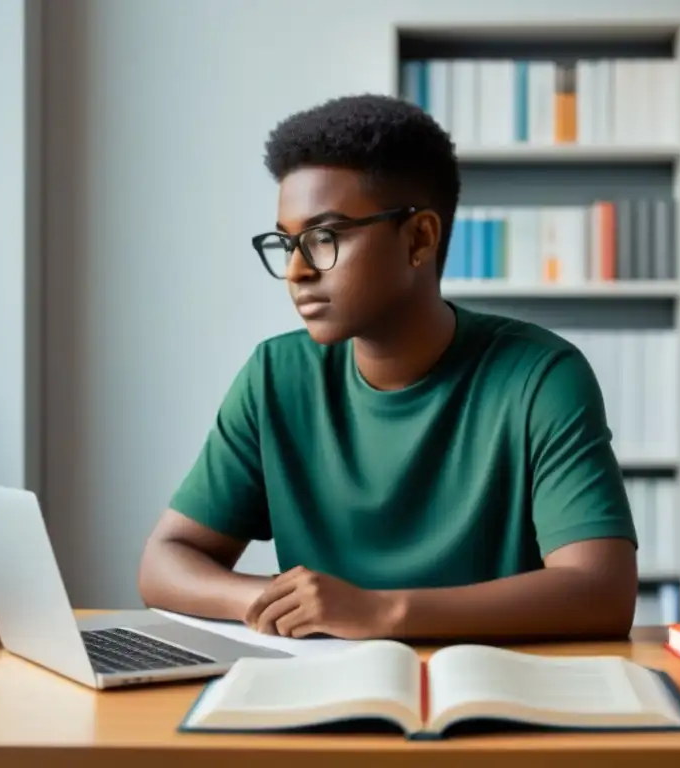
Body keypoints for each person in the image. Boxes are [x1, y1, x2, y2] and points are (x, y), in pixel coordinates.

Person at [137, 93, 639, 642]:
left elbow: (602, 591)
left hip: (490, 694)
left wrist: (383, 613)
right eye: (288, 243)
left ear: (419, 238)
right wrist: (281, 603)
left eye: (324, 237)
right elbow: (165, 560)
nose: (297, 271)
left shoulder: (540, 376)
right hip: (319, 691)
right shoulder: (275, 377)